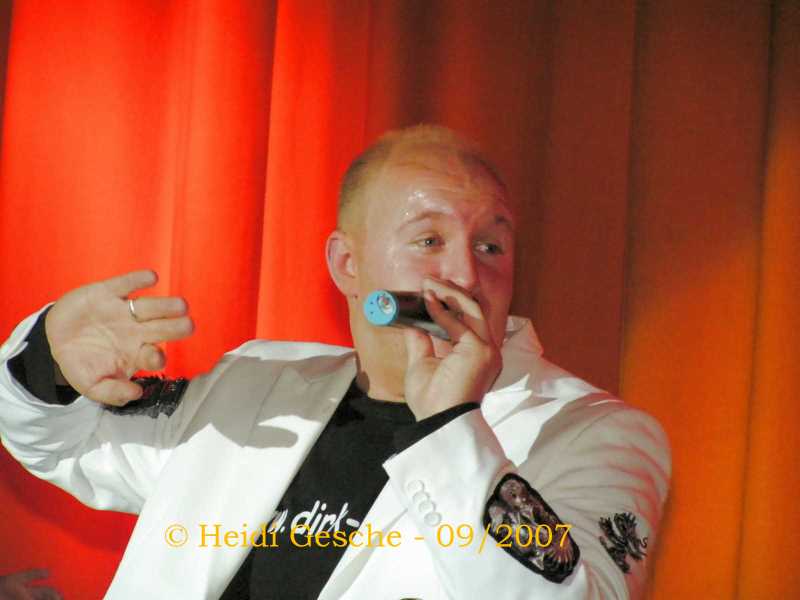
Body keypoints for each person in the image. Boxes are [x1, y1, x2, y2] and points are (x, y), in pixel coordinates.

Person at [0, 125, 670, 599]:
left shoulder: (597, 433)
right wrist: (50, 365)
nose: (466, 275)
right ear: (348, 265)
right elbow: (68, 447)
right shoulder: (255, 382)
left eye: (490, 247)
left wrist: (450, 422)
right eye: (428, 240)